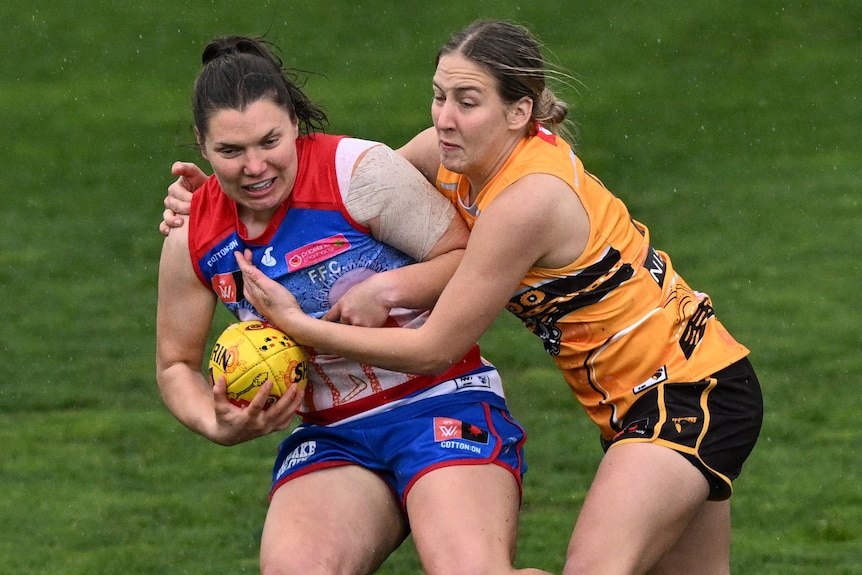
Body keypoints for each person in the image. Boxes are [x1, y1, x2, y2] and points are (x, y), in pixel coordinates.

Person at [163, 21, 763, 574]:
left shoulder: (527, 199)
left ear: (518, 111)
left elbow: (434, 348)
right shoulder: (447, 153)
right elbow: (343, 209)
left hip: (689, 388)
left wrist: (306, 321)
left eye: (467, 102)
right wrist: (216, 201)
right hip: (630, 401)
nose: (445, 118)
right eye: (439, 95)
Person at [155, 35, 551, 575]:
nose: (254, 167)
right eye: (230, 151)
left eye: (269, 141)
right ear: (201, 145)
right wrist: (216, 422)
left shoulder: (357, 173)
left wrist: (385, 291)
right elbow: (176, 363)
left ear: (295, 123)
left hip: (441, 401)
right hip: (333, 434)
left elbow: (468, 256)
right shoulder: (192, 236)